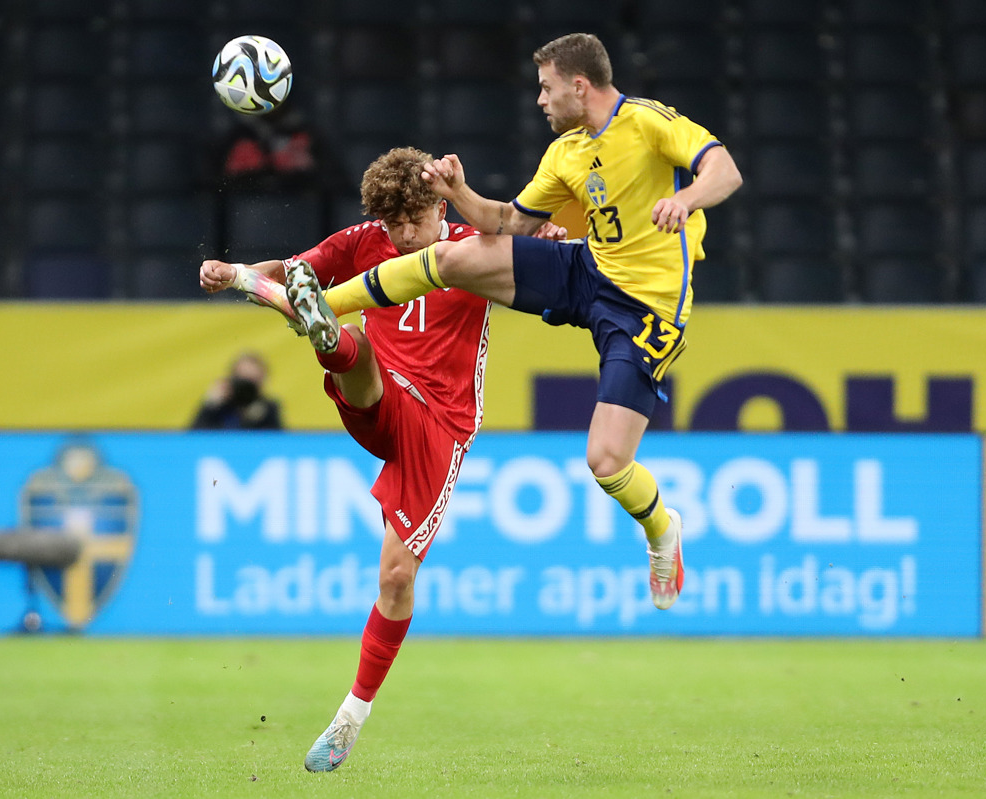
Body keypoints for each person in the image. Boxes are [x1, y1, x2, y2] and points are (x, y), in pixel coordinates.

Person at [285, 33, 743, 614]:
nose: (540, 100)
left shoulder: (649, 123)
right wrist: (459, 191)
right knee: (455, 258)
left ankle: (662, 530)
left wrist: (688, 199)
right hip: (588, 270)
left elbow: (725, 171)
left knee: (606, 462)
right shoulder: (566, 153)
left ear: (580, 85)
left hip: (646, 308)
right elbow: (507, 223)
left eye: (547, 88)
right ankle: (323, 306)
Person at [199, 146, 564, 773]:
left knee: (396, 578)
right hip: (382, 398)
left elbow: (534, 246)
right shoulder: (364, 242)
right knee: (355, 344)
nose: (403, 237)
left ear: (439, 208)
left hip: (441, 425)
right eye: (392, 225)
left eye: (413, 222)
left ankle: (350, 717)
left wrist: (548, 239)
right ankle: (327, 337)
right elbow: (291, 268)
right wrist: (236, 271)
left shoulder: (474, 248)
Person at [189, 352, 283, 430]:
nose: (246, 388)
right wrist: (210, 405)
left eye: (252, 381)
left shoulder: (268, 408)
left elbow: (276, 440)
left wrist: (252, 415)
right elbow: (194, 437)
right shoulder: (219, 407)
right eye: (242, 380)